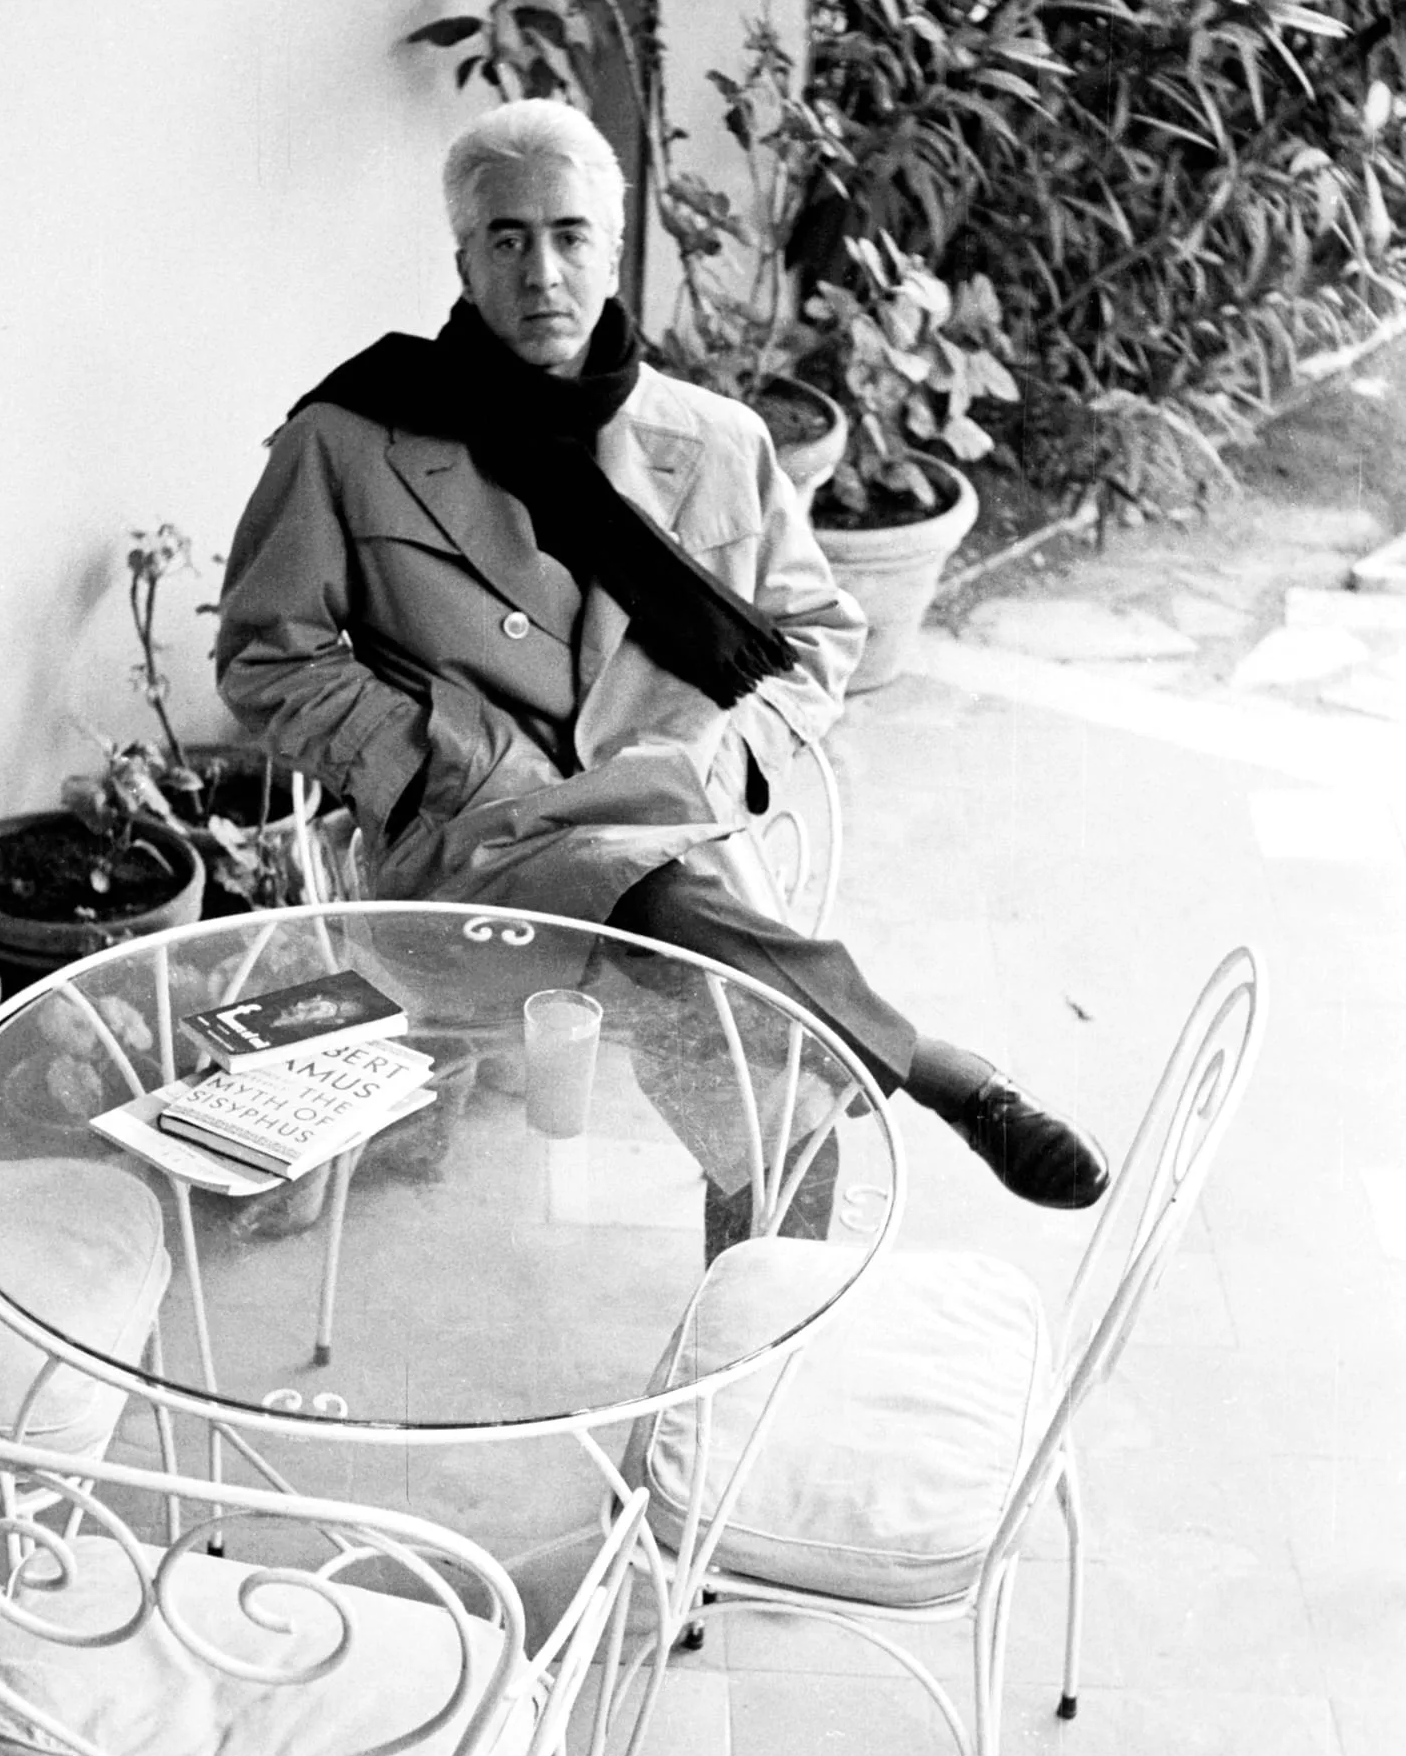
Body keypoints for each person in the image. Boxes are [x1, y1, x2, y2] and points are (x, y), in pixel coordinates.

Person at [215, 100, 1107, 1211]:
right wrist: (429, 757)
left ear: (612, 246)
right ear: (463, 261)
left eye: (569, 235)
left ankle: (748, 1318)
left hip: (674, 823)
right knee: (744, 1008)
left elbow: (818, 634)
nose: (541, 272)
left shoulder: (718, 441)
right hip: (471, 848)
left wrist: (716, 759)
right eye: (506, 239)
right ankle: (929, 1066)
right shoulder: (351, 440)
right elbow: (268, 657)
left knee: (779, 1107)